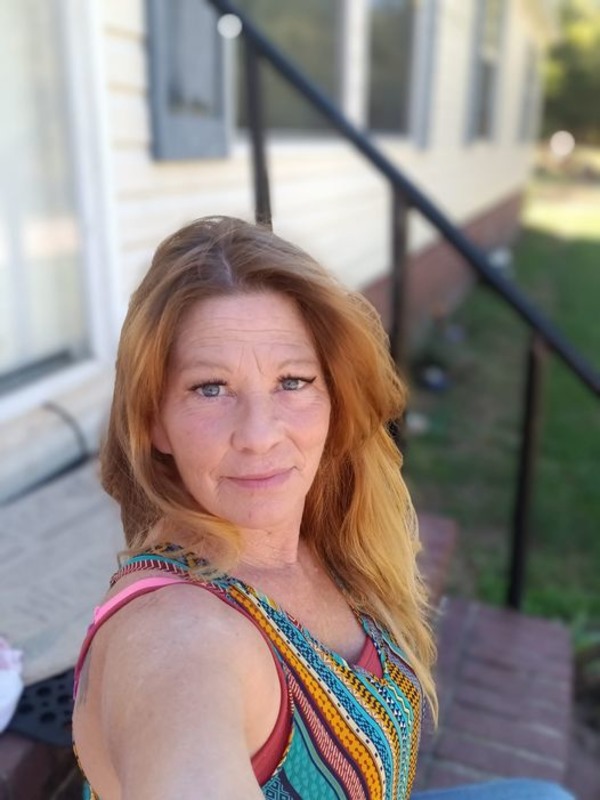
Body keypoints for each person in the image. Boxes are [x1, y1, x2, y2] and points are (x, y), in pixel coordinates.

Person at [72, 216, 573, 800]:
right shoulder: (176, 634)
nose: (259, 435)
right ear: (154, 421)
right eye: (210, 388)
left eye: (292, 381)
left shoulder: (328, 539)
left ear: (334, 396)